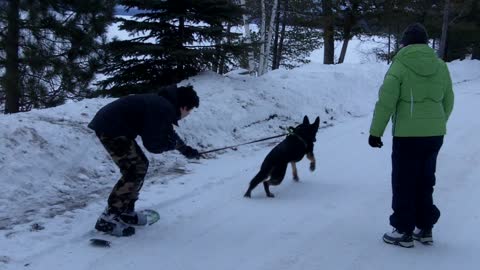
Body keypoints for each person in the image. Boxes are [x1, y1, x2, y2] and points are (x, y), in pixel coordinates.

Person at [368, 23, 454, 248]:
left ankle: (403, 230)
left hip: (408, 136)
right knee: (426, 181)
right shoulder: (440, 65)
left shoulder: (400, 65)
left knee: (404, 181)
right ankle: (425, 228)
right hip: (435, 135)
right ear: (426, 42)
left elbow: (386, 102)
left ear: (404, 43)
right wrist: (436, 123)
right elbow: (449, 100)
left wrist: (376, 132)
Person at [88, 85, 201, 236]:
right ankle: (108, 218)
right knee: (135, 169)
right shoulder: (163, 108)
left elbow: (168, 132)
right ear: (184, 107)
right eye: (190, 111)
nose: (188, 114)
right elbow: (153, 145)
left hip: (114, 126)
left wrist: (185, 149)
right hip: (111, 128)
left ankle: (126, 210)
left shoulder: (164, 104)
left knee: (139, 166)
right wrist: (171, 146)